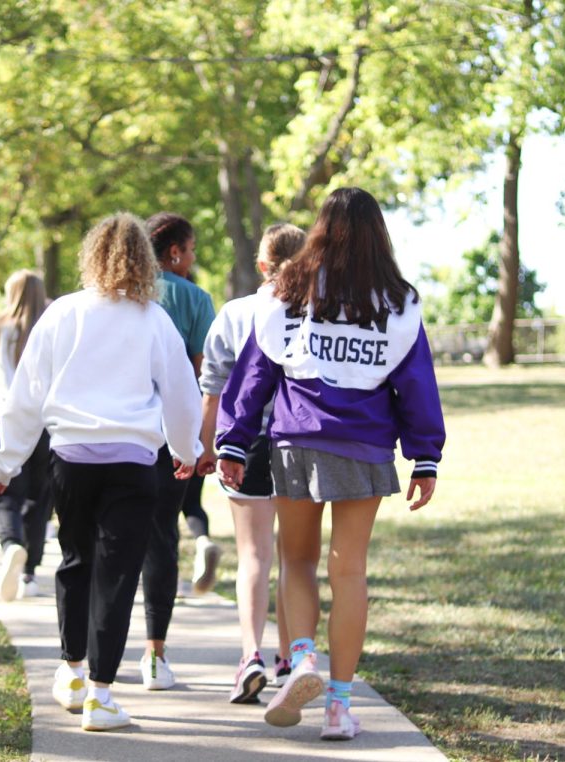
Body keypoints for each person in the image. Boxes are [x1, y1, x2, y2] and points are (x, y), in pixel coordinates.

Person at [216, 187, 445, 741]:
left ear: (319, 229)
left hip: (295, 442)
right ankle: (339, 706)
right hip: (365, 448)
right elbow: (415, 383)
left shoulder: (286, 290)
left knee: (295, 561)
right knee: (350, 572)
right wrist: (425, 457)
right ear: (378, 234)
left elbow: (254, 373)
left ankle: (302, 659)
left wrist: (233, 441)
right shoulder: (398, 300)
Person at [0, 213, 202, 732]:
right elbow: (180, 393)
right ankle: (102, 695)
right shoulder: (154, 319)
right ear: (146, 260)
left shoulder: (63, 313)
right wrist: (186, 449)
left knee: (75, 562)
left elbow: (27, 395)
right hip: (132, 461)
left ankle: (73, 670)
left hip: (72, 460)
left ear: (91, 256)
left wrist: (5, 464)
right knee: (118, 575)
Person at [198, 223, 305, 704]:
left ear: (262, 265)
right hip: (300, 441)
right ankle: (289, 657)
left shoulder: (236, 312)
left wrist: (205, 446)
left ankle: (250, 657)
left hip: (245, 445)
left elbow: (214, 388)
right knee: (294, 558)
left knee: (254, 555)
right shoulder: (315, 314)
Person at [139, 211, 219, 690]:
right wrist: (202, 442)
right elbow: (204, 375)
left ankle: (85, 661)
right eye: (190, 251)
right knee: (161, 540)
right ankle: (155, 656)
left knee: (111, 542)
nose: (192, 259)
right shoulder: (193, 299)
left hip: (120, 432)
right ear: (174, 253)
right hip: (173, 436)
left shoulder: (122, 295)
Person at [0, 271, 52, 601]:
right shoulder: (52, 328)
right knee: (38, 497)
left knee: (4, 494)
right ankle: (29, 574)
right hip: (45, 422)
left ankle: (11, 544)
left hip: (3, 418)